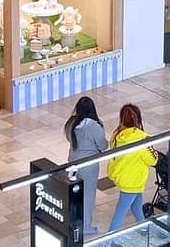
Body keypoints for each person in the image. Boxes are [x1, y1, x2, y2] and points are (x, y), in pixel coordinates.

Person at [108, 104, 156, 231]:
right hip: (133, 181)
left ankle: (143, 228)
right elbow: (152, 160)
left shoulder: (116, 135)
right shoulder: (142, 139)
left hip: (122, 177)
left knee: (136, 204)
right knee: (120, 212)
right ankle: (108, 242)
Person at [65, 96, 107, 233]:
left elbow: (68, 138)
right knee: (88, 195)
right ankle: (85, 226)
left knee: (74, 194)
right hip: (89, 166)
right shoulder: (94, 126)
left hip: (73, 162)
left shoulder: (70, 123)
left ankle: (71, 221)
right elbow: (103, 145)